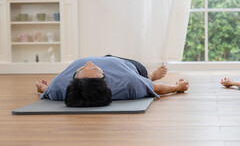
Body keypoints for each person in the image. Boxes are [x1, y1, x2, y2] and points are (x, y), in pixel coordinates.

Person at [35, 55, 189, 107]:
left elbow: (48, 91)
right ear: (105, 80)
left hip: (110, 61)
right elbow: (158, 89)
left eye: (81, 70)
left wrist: (43, 88)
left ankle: (149, 75)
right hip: (125, 65)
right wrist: (177, 88)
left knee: (141, 81)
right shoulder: (128, 83)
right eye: (95, 70)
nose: (89, 64)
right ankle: (150, 74)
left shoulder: (59, 86)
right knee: (144, 79)